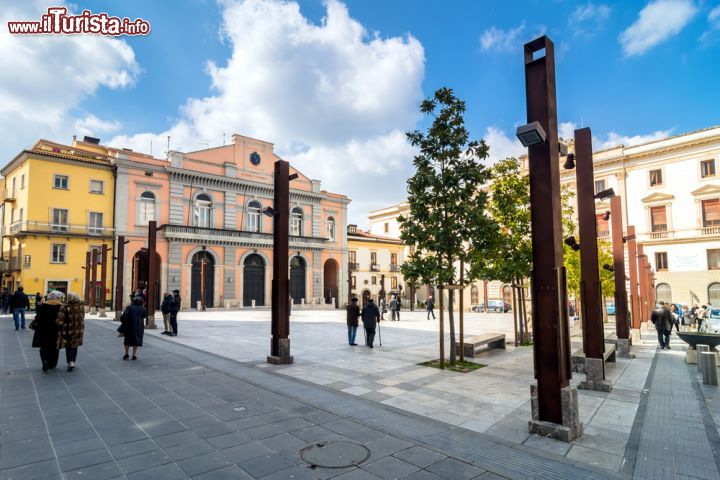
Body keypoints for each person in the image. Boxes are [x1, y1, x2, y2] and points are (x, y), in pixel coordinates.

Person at [31, 290, 63, 371]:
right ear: (57, 298)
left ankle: (44, 361)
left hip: (43, 329)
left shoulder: (43, 306)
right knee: (54, 347)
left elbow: (38, 317)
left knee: (44, 346)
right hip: (55, 330)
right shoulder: (61, 307)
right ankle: (52, 364)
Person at [56, 292, 85, 372]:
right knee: (75, 345)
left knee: (68, 346)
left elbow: (60, 320)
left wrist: (59, 325)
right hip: (79, 329)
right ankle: (73, 361)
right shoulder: (81, 306)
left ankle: (70, 362)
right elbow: (83, 317)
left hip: (68, 329)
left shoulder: (65, 307)